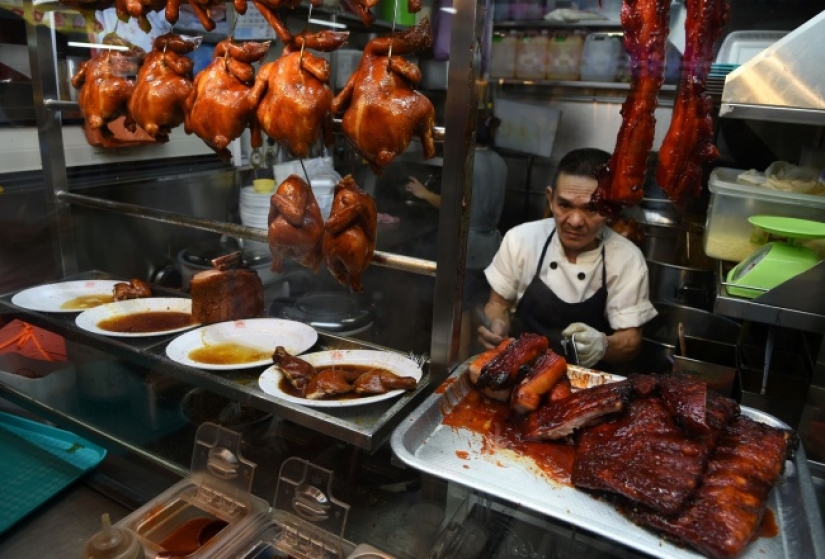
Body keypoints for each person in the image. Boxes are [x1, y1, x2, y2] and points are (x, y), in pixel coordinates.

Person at [478, 148, 657, 369]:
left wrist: (602, 345)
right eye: (564, 205)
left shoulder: (627, 259)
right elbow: (498, 303)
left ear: (611, 209)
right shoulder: (521, 239)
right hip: (521, 373)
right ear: (550, 199)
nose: (574, 221)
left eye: (591, 209)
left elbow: (630, 342)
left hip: (589, 387)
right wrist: (496, 324)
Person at [405, 112, 509, 359]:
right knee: (475, 304)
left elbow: (452, 203)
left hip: (469, 247)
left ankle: (458, 363)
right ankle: (473, 357)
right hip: (492, 244)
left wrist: (423, 193)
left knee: (459, 309)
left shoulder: (469, 163)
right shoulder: (499, 161)